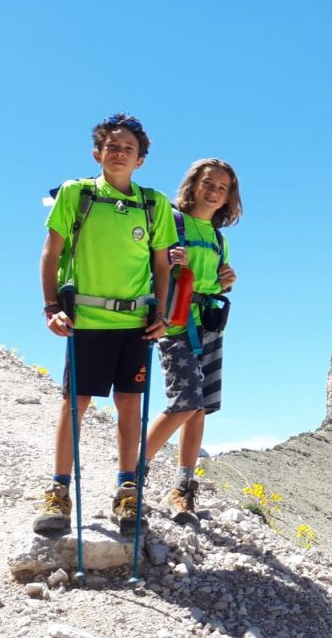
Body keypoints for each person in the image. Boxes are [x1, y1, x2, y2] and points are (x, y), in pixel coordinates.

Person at [35, 113, 174, 535]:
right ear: (97, 153)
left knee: (129, 404)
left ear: (140, 161)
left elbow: (162, 263)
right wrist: (50, 306)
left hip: (135, 324)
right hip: (86, 321)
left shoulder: (154, 204)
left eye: (128, 149)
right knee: (75, 403)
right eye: (112, 146)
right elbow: (51, 253)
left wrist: (162, 313)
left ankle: (127, 491)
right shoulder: (77, 194)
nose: (119, 153)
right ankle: (58, 494)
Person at [142, 158, 241, 524]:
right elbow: (150, 264)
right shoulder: (171, 220)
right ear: (193, 185)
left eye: (223, 188)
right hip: (174, 324)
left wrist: (226, 281)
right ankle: (132, 475)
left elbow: (215, 282)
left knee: (199, 408)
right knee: (185, 401)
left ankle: (182, 489)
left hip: (210, 327)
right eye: (209, 183)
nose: (214, 192)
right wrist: (169, 259)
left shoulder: (218, 238)